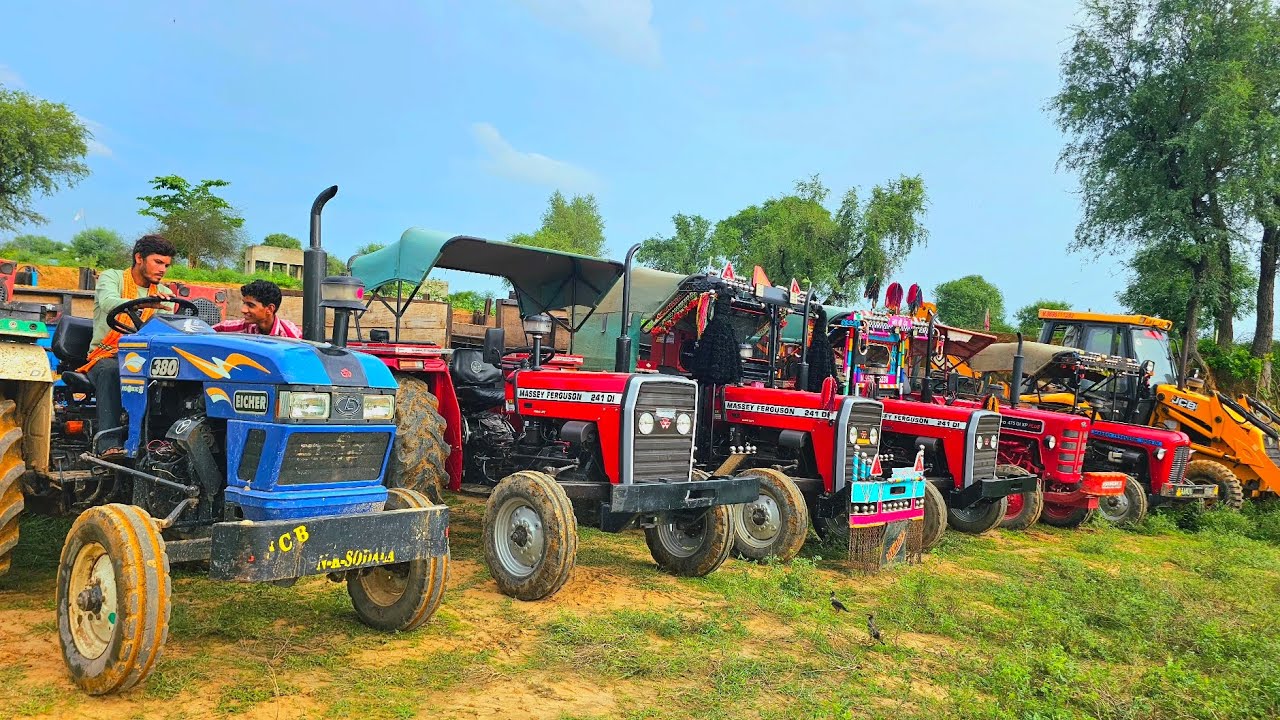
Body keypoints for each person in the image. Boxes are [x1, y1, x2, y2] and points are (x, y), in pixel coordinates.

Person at [81, 235, 177, 457]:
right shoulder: (112, 278)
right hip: (107, 356)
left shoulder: (164, 293)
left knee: (174, 378)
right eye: (158, 262)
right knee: (112, 372)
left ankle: (163, 442)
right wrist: (144, 304)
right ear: (139, 258)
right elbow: (108, 303)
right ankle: (108, 443)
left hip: (146, 360)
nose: (163, 269)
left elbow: (166, 329)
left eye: (166, 265)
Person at [212, 279, 301, 338]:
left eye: (250, 305)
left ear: (269, 309)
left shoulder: (290, 335)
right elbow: (209, 331)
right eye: (244, 303)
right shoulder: (246, 326)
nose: (243, 310)